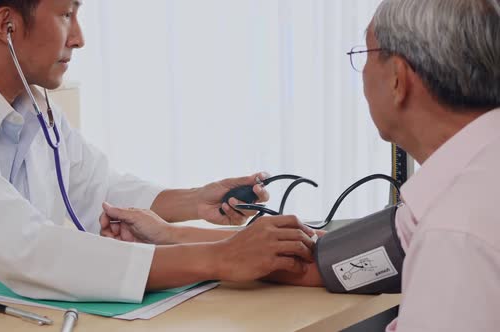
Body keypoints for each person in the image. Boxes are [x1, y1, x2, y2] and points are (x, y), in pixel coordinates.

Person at [102, 0, 500, 329]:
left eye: (364, 55)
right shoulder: (463, 184)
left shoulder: (456, 234)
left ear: (398, 78)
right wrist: (169, 235)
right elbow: (327, 262)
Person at [0, 0, 317, 303]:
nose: (79, 38)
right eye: (66, 14)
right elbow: (26, 247)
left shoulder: (33, 107)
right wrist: (218, 257)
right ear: (8, 25)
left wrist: (197, 199)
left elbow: (102, 188)